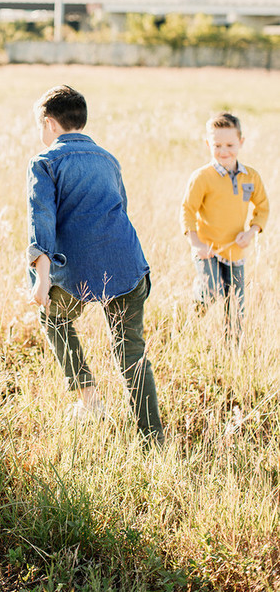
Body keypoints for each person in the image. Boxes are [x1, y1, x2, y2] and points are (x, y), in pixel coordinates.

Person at [27, 85, 164, 446]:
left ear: (49, 123)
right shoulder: (108, 159)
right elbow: (122, 208)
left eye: (40, 126)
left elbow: (42, 220)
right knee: (131, 352)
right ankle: (152, 440)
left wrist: (41, 279)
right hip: (128, 264)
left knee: (53, 318)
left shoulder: (44, 162)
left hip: (76, 271)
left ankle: (89, 400)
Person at [180, 112, 269, 341]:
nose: (224, 151)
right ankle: (188, 323)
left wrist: (252, 231)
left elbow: (262, 208)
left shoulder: (250, 177)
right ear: (208, 144)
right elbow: (187, 210)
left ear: (241, 142)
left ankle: (233, 346)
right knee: (211, 291)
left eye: (230, 145)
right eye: (217, 145)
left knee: (236, 303)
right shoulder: (202, 177)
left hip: (235, 251)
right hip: (207, 250)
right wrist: (196, 243)